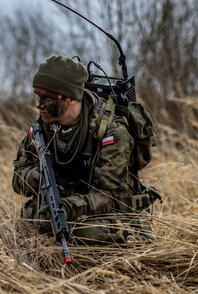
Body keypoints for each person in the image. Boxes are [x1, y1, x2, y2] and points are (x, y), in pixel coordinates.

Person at [12, 54, 159, 244]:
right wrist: (41, 176)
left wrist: (68, 208)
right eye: (37, 95)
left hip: (114, 213)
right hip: (70, 206)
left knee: (83, 233)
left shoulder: (110, 133)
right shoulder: (44, 129)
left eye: (46, 98)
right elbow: (17, 178)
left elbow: (110, 197)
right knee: (29, 219)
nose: (38, 105)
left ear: (71, 98)